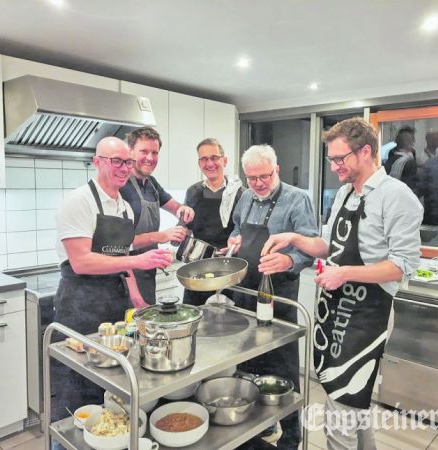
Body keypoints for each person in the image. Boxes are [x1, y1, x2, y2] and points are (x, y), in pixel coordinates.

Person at [262, 118, 423, 450]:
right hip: (335, 311)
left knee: (341, 407)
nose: (334, 167)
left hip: (369, 315)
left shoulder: (397, 196)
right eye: (331, 159)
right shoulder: (345, 194)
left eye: (340, 159)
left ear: (366, 151)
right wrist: (293, 238)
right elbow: (327, 245)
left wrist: (344, 273)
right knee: (355, 403)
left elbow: (402, 266)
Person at [52, 137, 174, 423]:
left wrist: (138, 299)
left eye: (127, 162)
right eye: (115, 161)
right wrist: (136, 260)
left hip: (113, 304)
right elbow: (81, 262)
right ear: (97, 162)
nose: (123, 167)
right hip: (80, 303)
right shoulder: (79, 201)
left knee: (110, 381)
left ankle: (106, 435)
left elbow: (122, 257)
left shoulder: (124, 207)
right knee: (77, 384)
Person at [227, 144, 318, 450]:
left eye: (264, 176)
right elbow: (238, 228)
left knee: (283, 367)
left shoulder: (297, 199)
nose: (258, 184)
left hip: (280, 297)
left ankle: (291, 437)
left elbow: (311, 245)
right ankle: (257, 433)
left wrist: (290, 260)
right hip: (245, 294)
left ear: (276, 169)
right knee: (248, 365)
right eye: (251, 178)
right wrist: (234, 241)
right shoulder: (245, 196)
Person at [120, 126, 195, 304]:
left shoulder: (152, 184)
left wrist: (184, 210)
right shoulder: (121, 186)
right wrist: (162, 236)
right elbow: (119, 244)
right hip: (124, 277)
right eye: (144, 151)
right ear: (130, 151)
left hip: (147, 272)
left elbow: (175, 207)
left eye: (155, 152)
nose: (150, 158)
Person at [182, 138, 243, 305]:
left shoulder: (239, 193)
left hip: (229, 269)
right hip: (198, 269)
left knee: (229, 324)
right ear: (199, 163)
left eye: (214, 157)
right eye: (204, 159)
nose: (209, 163)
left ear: (224, 160)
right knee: (195, 318)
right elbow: (187, 229)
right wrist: (178, 236)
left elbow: (245, 232)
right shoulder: (193, 191)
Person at [384, 125, 418, 192]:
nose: (414, 141)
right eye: (412, 139)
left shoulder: (411, 153)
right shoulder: (407, 161)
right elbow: (411, 184)